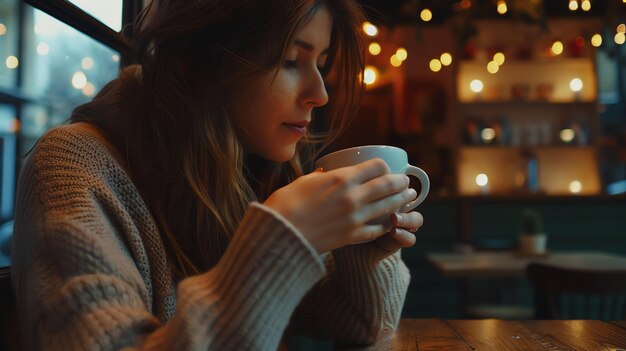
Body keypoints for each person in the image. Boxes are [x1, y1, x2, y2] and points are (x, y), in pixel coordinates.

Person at [11, 0, 424, 349]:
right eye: (290, 60)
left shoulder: (251, 170)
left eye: (320, 62)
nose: (320, 94)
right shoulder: (72, 167)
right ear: (206, 58)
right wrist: (280, 238)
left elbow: (357, 328)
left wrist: (362, 257)